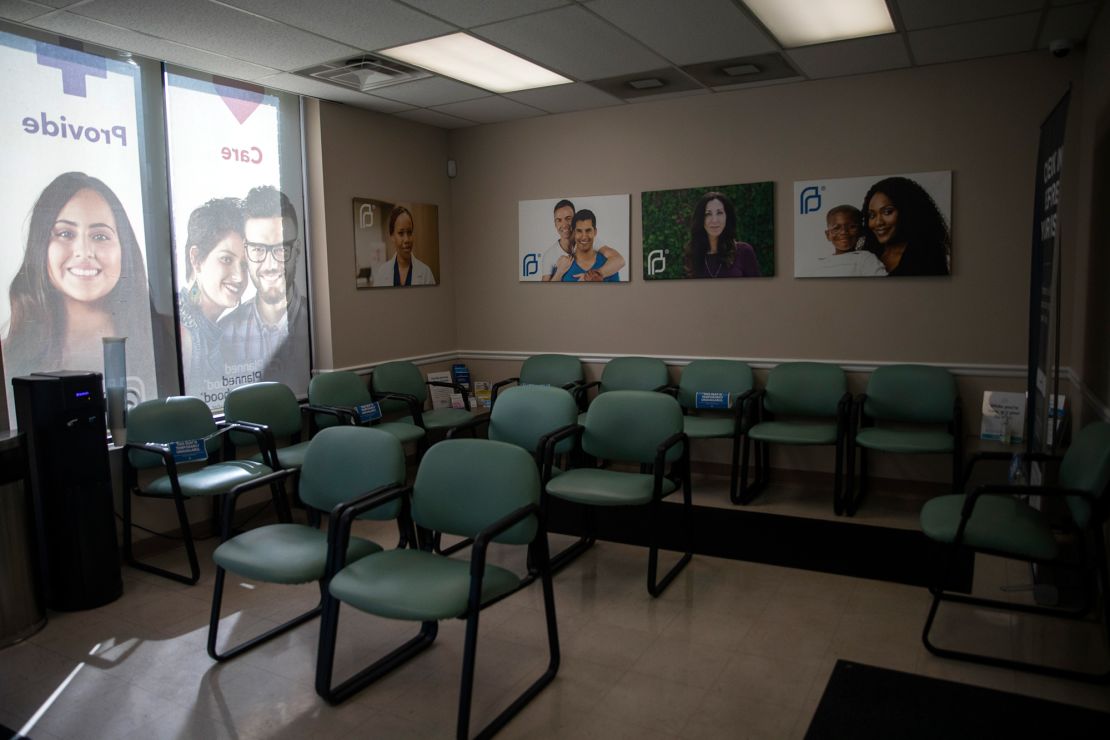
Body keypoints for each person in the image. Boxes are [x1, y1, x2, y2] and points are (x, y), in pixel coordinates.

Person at [3, 171, 156, 401]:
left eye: (100, 236)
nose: (84, 251)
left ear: (124, 248)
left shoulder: (170, 343)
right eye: (65, 233)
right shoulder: (6, 356)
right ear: (40, 244)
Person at [220, 186, 310, 393]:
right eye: (258, 250)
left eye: (280, 249)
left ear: (296, 249)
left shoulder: (318, 323)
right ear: (245, 250)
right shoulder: (224, 333)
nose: (270, 265)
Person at [178, 197, 246, 397]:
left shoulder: (213, 329)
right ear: (196, 259)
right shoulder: (184, 333)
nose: (239, 277)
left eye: (244, 265)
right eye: (226, 259)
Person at [861, 177, 951, 276]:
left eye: (887, 212)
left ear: (907, 212)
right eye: (872, 215)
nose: (878, 222)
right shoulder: (867, 254)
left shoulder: (926, 257)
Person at [683, 191, 761, 278]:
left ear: (727, 216)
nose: (714, 220)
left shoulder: (744, 251)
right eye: (708, 214)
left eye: (719, 213)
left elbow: (758, 288)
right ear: (701, 219)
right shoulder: (693, 254)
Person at [812, 205, 887, 277]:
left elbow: (881, 284)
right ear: (828, 235)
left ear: (861, 231)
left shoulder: (865, 258)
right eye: (836, 228)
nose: (844, 232)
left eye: (852, 227)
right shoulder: (820, 263)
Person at [552, 209, 626, 282]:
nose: (584, 237)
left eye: (588, 230)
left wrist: (594, 276)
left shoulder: (609, 265)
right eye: (579, 231)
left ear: (595, 232)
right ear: (574, 233)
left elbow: (617, 293)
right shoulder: (563, 266)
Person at [373, 205, 436, 286]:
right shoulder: (382, 273)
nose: (407, 240)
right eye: (401, 233)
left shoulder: (426, 273)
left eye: (409, 232)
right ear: (392, 236)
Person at [540, 198, 575, 281]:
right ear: (555, 224)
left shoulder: (588, 242)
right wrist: (559, 272)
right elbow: (543, 291)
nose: (564, 224)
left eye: (568, 218)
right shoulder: (549, 255)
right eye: (559, 220)